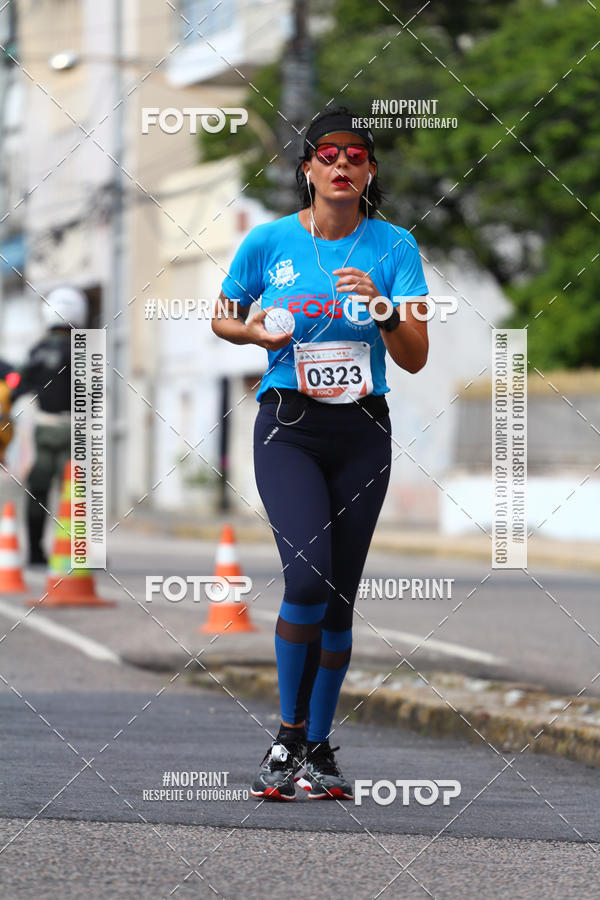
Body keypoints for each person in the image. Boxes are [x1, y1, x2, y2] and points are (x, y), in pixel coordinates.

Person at [212, 106, 429, 801]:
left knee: (339, 601)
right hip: (289, 426)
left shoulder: (393, 248)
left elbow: (417, 358)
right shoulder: (269, 240)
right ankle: (286, 735)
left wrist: (385, 310)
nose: (342, 165)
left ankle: (320, 750)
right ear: (307, 168)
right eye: (328, 154)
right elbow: (221, 313)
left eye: (356, 157)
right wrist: (256, 335)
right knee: (307, 579)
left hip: (363, 430)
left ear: (369, 173)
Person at [12, 286, 88, 565]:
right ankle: (78, 554)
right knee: (76, 496)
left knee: (37, 492)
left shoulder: (37, 350)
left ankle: (34, 551)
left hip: (42, 429)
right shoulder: (84, 349)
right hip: (74, 432)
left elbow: (17, 388)